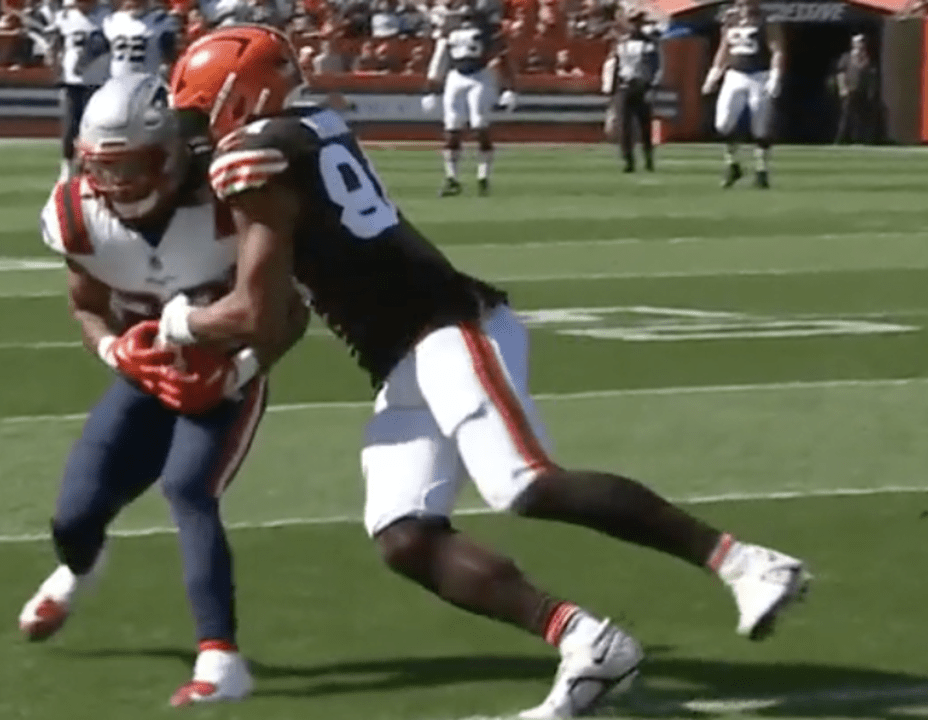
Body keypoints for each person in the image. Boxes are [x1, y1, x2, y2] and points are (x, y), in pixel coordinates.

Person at [165, 25, 812, 719]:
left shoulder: (259, 153)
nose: (196, 129)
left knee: (523, 481)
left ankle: (744, 561)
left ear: (239, 99)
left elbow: (256, 312)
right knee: (405, 534)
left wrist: (178, 323)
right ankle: (587, 642)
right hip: (397, 352)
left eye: (201, 111)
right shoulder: (306, 126)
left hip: (447, 327)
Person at [17, 72, 307, 706]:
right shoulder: (76, 214)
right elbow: (86, 305)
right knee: (74, 516)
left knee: (188, 487)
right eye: (104, 167)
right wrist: (114, 348)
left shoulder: (232, 198)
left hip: (228, 367)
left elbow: (291, 311)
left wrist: (241, 369)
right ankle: (81, 570)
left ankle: (221, 659)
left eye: (132, 166)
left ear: (171, 154)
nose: (117, 185)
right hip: (144, 366)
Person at [425, 8, 517, 196]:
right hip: (456, 76)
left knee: (479, 125)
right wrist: (431, 88)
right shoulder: (450, 25)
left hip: (480, 76)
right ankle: (452, 178)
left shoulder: (488, 26)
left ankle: (483, 176)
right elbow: (439, 58)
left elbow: (501, 57)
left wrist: (509, 88)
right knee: (451, 128)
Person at [702, 0, 784, 189]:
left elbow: (777, 50)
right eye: (741, 3)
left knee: (760, 126)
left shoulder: (766, 21)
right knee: (723, 123)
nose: (745, 7)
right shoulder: (731, 22)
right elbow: (723, 51)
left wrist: (775, 76)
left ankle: (761, 170)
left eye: (748, 3)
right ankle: (732, 164)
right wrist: (713, 76)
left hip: (759, 75)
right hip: (734, 75)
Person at [51, 0, 111, 180]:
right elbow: (56, 44)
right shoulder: (65, 16)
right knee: (70, 127)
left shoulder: (107, 17)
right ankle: (67, 166)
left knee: (97, 128)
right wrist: (56, 68)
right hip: (72, 80)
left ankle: (94, 167)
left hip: (99, 80)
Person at [606, 11, 661, 172]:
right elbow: (616, 67)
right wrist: (612, 89)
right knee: (624, 126)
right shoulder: (621, 43)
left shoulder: (649, 44)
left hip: (642, 85)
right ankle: (628, 160)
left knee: (645, 125)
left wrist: (652, 87)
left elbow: (655, 68)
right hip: (625, 85)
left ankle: (648, 159)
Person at [103, 0, 177, 79]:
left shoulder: (163, 20)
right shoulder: (111, 21)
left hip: (149, 83)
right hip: (118, 84)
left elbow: (171, 57)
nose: (133, 2)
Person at [834, 33, 878, 145]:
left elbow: (871, 74)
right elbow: (841, 73)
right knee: (846, 115)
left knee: (861, 117)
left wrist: (871, 90)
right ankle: (841, 139)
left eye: (862, 42)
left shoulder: (867, 58)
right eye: (858, 42)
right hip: (849, 91)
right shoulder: (847, 57)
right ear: (853, 44)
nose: (861, 44)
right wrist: (842, 88)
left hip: (862, 91)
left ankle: (858, 139)